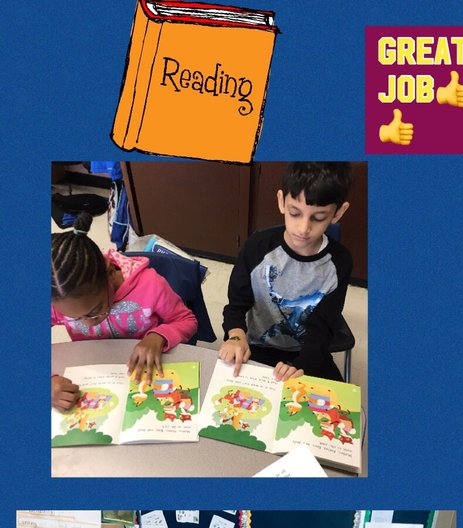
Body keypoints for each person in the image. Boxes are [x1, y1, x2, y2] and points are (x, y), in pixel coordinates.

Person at [219, 161, 353, 383]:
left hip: (307, 352)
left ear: (338, 213)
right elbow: (235, 305)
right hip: (257, 346)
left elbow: (323, 325)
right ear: (281, 201)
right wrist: (235, 336)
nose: (303, 228)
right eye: (295, 213)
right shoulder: (257, 247)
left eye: (318, 218)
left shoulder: (339, 262)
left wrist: (301, 365)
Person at [51, 211, 198, 411]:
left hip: (146, 371)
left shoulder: (150, 285)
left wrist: (158, 336)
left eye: (96, 310)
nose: (87, 323)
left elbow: (186, 320)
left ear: (110, 272)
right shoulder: (54, 297)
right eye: (74, 318)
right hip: (95, 373)